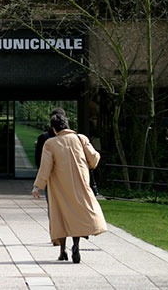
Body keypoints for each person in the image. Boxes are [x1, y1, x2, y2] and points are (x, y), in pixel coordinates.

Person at [32, 113, 107, 263]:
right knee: (77, 216)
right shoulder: (81, 139)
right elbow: (94, 158)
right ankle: (76, 246)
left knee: (60, 216)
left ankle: (62, 251)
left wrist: (37, 186)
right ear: (67, 125)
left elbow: (45, 167)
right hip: (80, 184)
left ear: (54, 129)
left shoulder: (50, 144)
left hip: (59, 187)